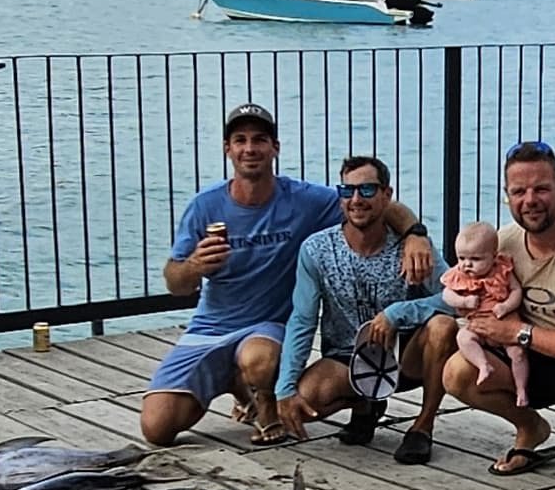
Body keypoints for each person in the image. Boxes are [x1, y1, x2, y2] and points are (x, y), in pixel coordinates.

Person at [141, 106, 432, 448]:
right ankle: (239, 386)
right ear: (227, 149)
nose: (250, 149)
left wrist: (415, 234)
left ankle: (261, 397)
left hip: (267, 329)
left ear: (275, 148)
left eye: (260, 140)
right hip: (209, 329)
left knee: (259, 360)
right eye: (240, 140)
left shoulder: (304, 200)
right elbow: (176, 284)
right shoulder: (204, 206)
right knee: (156, 429)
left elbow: (370, 200)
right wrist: (194, 266)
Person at [395, 139, 555, 475]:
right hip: (529, 358)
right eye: (519, 191)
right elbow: (457, 291)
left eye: (541, 189)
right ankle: (530, 427)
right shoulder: (500, 244)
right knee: (458, 372)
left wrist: (516, 331)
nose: (530, 201)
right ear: (507, 196)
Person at [275, 154, 447, 449]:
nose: (356, 199)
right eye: (347, 191)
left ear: (386, 195)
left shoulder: (413, 248)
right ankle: (366, 404)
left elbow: (456, 299)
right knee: (306, 402)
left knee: (443, 327)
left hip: (404, 356)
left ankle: (423, 426)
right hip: (347, 357)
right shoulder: (316, 250)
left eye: (367, 190)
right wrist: (285, 387)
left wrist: (399, 313)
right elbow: (302, 321)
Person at [440, 222, 531, 411]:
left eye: (475, 258)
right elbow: (447, 295)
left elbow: (516, 291)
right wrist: (463, 302)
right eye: (461, 258)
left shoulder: (502, 271)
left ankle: (521, 389)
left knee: (518, 354)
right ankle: (483, 365)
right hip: (478, 325)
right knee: (463, 338)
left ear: (494, 257)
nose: (467, 264)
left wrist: (506, 306)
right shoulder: (459, 274)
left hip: (505, 323)